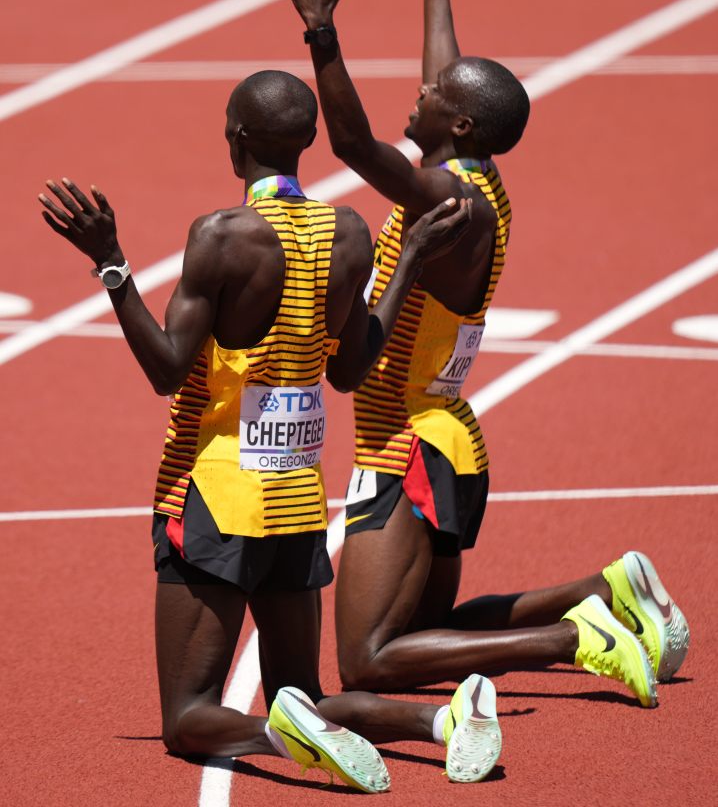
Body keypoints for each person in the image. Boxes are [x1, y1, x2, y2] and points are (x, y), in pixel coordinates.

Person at [264, 0, 690, 708]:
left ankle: (574, 638)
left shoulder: (448, 207)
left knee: (367, 664)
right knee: (438, 632)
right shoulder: (467, 179)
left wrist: (319, 28)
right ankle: (600, 594)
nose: (416, 96)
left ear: (457, 128)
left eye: (431, 101)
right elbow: (451, 85)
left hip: (408, 447)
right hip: (443, 436)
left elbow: (349, 141)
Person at [38, 68, 508, 790]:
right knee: (307, 691)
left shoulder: (222, 237)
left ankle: (281, 738)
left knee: (189, 716)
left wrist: (111, 264)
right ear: (308, 143)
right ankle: (442, 720)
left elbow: (166, 370)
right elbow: (351, 372)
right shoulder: (348, 232)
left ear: (237, 141)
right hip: (295, 499)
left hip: (217, 496)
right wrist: (408, 260)